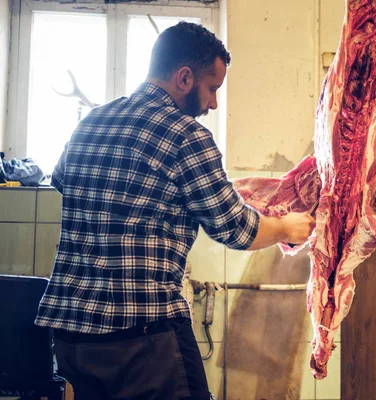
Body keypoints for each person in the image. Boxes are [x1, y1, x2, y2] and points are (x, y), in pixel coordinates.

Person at [35, 21, 315, 400]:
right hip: (143, 338)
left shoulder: (90, 122)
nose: (214, 102)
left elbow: (63, 182)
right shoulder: (186, 135)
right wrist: (286, 228)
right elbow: (236, 230)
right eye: (212, 88)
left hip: (71, 336)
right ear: (185, 77)